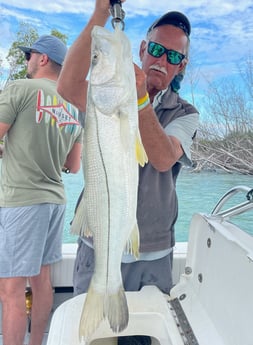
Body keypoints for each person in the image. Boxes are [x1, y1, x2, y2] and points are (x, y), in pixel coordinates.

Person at [57, 1, 199, 344]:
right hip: (97, 243)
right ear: (141, 49)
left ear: (182, 67)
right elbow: (67, 85)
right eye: (155, 49)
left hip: (152, 257)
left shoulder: (186, 114)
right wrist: (100, 14)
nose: (162, 61)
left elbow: (163, 158)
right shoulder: (103, 97)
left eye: (174, 57)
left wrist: (138, 102)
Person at [0, 35, 83, 345]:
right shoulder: (75, 107)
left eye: (29, 56)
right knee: (42, 280)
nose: (27, 61)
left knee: (11, 289)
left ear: (43, 59)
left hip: (22, 201)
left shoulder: (20, 89)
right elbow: (73, 165)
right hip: (55, 202)